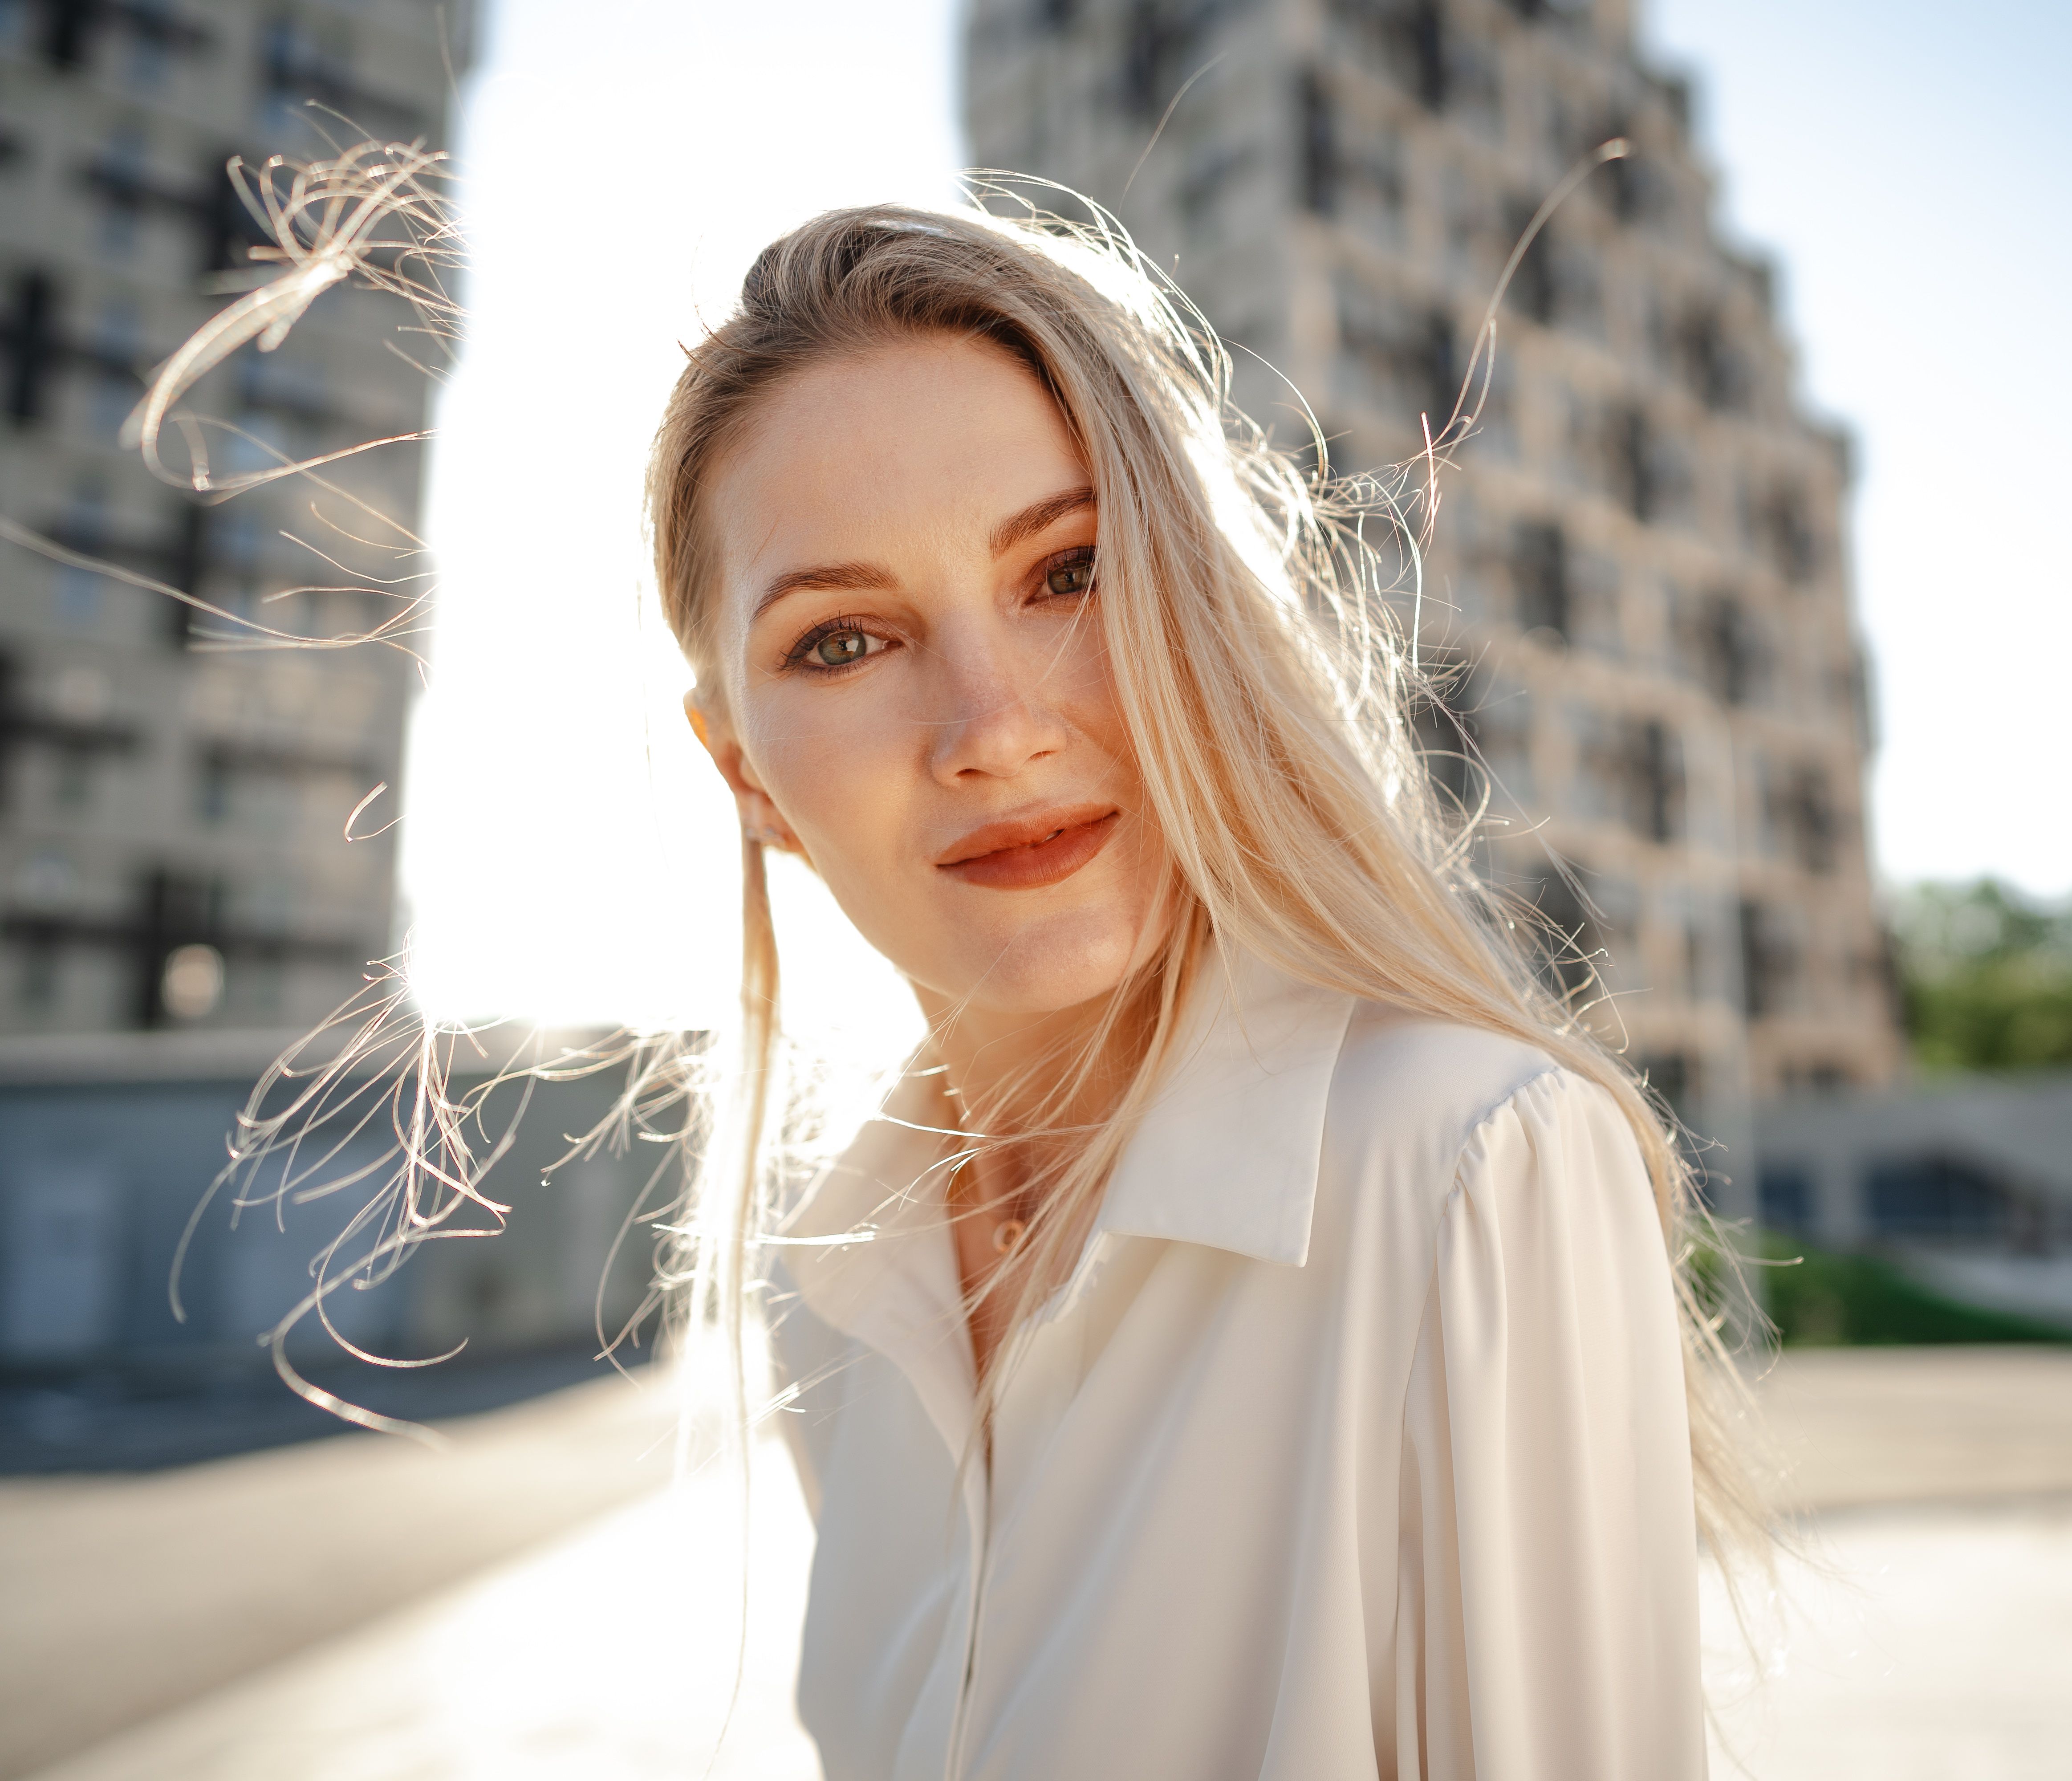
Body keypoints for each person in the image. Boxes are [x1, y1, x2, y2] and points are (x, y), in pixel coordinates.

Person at [642, 197, 1757, 1779]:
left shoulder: (1470, 1166)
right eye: (842, 642)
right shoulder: (834, 1289)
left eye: (1068, 570)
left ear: (1201, 611)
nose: (992, 726)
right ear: (743, 769)